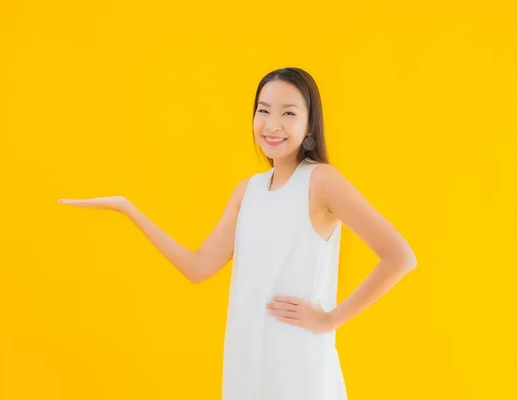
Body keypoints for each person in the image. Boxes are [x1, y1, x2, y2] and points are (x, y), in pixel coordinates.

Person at [58, 67, 417, 399]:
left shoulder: (320, 181)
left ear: (309, 125)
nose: (272, 124)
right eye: (264, 110)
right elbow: (198, 267)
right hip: (248, 364)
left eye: (288, 113)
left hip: (298, 368)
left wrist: (329, 319)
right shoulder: (249, 191)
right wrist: (128, 208)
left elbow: (400, 256)